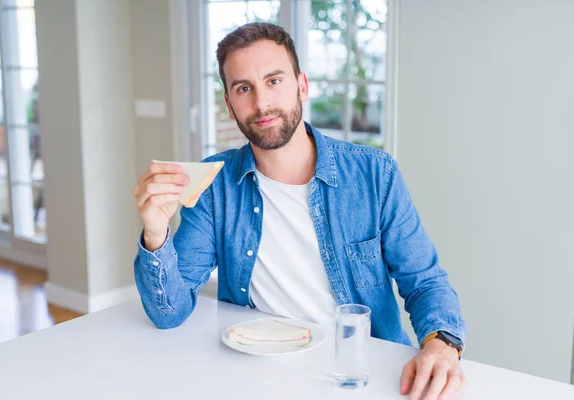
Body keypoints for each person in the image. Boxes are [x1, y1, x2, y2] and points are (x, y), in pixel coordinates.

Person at [133, 22, 467, 400]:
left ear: (302, 86)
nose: (261, 104)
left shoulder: (375, 174)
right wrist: (155, 232)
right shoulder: (216, 185)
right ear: (229, 105)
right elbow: (168, 313)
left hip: (359, 374)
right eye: (244, 88)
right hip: (251, 375)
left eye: (274, 81)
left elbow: (424, 283)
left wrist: (441, 346)